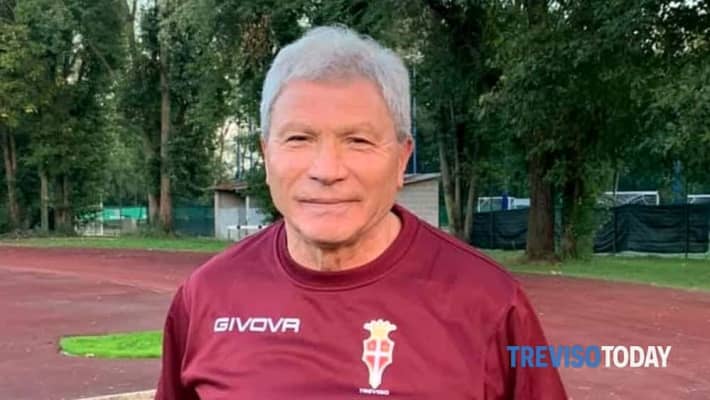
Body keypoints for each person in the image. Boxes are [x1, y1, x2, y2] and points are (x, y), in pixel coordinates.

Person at [155, 25, 567, 399]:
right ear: (266, 155)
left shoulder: (490, 304)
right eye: (298, 138)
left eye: (358, 141)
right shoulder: (205, 297)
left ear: (402, 159)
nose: (327, 170)